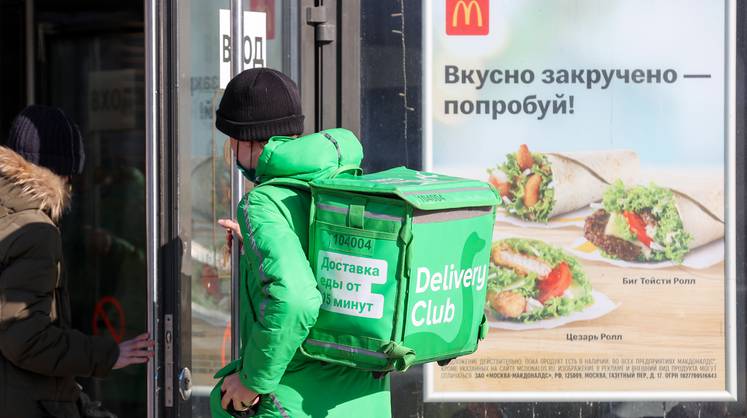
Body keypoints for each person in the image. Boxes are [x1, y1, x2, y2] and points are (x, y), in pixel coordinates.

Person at [213, 68, 390, 417]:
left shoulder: (263, 202)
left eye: (232, 141)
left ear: (249, 140)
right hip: (365, 399)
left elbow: (297, 299)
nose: (231, 151)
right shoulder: (344, 186)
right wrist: (253, 253)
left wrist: (252, 382)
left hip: (296, 402)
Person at [0, 105, 154, 418]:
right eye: (71, 176)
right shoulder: (36, 232)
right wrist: (109, 354)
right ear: (60, 172)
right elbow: (25, 339)